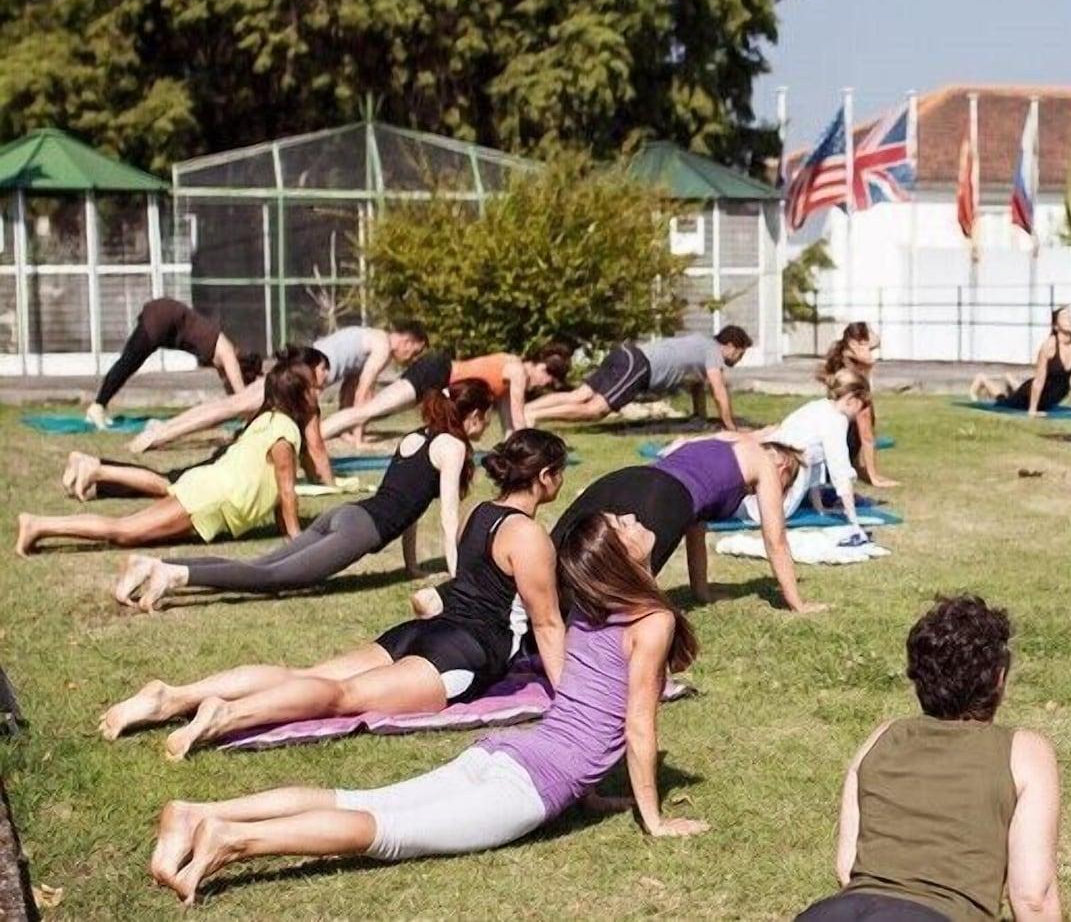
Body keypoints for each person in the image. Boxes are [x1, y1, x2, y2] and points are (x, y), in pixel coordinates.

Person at [142, 510, 707, 904]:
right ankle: (233, 839)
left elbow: (586, 706)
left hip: (509, 753)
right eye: (621, 525)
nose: (634, 521)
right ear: (616, 559)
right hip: (524, 783)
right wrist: (651, 819)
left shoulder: (591, 606)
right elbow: (635, 723)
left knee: (361, 800)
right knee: (382, 830)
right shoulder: (649, 621)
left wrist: (590, 794)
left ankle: (198, 812)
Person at [95, 429, 570, 758]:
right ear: (546, 475)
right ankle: (228, 715)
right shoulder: (529, 536)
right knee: (343, 696)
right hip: (462, 654)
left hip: (420, 633)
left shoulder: (480, 513)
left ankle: (176, 696)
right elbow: (547, 624)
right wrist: (572, 696)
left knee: (305, 675)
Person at [113, 379, 496, 611]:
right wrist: (456, 575)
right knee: (273, 577)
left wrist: (411, 567)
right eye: (487, 419)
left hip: (346, 514)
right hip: (358, 531)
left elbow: (407, 503)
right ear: (474, 415)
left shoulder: (418, 436)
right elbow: (448, 517)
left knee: (262, 565)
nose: (487, 427)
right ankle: (174, 575)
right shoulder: (453, 446)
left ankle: (154, 564)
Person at [797, 595, 1062, 922]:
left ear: (918, 679)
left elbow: (847, 866)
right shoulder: (1025, 752)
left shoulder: (881, 737)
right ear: (999, 679)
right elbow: (1034, 897)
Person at [18, 363, 320, 557]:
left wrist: (287, 531)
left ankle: (41, 525)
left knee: (124, 530)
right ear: (298, 396)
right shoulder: (284, 432)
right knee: (123, 531)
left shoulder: (266, 419)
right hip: (211, 499)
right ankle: (38, 525)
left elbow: (281, 496)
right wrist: (296, 538)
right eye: (312, 388)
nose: (317, 392)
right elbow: (287, 491)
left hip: (209, 490)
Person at [550, 437, 828, 614]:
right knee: (619, 590)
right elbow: (775, 540)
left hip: (625, 478)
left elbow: (695, 530)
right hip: (664, 497)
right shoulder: (765, 463)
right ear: (782, 468)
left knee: (551, 555)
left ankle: (533, 625)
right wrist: (797, 603)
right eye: (787, 484)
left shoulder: (720, 446)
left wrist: (701, 592)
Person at [62, 347, 338, 498]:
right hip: (234, 464)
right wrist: (164, 433)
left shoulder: (279, 383)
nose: (327, 376)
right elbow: (219, 410)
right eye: (325, 368)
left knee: (169, 484)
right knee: (169, 487)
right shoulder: (297, 395)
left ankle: (96, 477)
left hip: (236, 459)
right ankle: (96, 468)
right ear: (311, 368)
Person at [130, 322, 429, 456]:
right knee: (234, 407)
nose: (411, 358)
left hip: (300, 364)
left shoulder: (368, 336)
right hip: (298, 370)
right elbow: (365, 392)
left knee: (234, 406)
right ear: (407, 341)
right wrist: (359, 441)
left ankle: (163, 430)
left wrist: (351, 431)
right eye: (414, 352)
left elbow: (349, 392)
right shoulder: (380, 346)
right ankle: (159, 435)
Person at [320, 343, 571, 440]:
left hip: (439, 377)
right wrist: (533, 447)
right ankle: (313, 437)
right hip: (437, 371)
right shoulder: (516, 371)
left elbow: (509, 426)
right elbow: (519, 418)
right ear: (541, 367)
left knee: (372, 413)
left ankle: (314, 438)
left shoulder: (510, 371)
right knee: (368, 412)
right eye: (546, 379)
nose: (540, 385)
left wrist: (515, 457)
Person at [526, 327, 752, 429]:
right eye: (740, 354)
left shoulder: (700, 342)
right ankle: (536, 416)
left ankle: (526, 411)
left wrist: (699, 417)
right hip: (638, 365)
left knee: (579, 395)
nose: (738, 359)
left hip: (626, 353)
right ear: (731, 346)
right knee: (597, 409)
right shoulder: (713, 351)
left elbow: (697, 386)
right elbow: (718, 391)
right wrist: (731, 426)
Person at [86, 297, 258, 429]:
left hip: (164, 320)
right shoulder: (227, 354)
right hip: (162, 318)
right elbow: (241, 396)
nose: (225, 380)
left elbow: (233, 391)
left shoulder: (224, 353)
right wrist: (249, 417)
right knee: (128, 362)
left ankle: (99, 405)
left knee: (129, 363)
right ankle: (97, 407)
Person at [758, 369, 874, 529]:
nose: (861, 412)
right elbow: (840, 470)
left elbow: (815, 463)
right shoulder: (837, 420)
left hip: (764, 461)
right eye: (863, 405)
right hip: (781, 473)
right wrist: (853, 520)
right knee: (775, 511)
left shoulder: (817, 407)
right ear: (851, 399)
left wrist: (819, 508)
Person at [968, 307, 1071, 418]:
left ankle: (1009, 379)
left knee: (1019, 392)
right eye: (1065, 317)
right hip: (1032, 394)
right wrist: (1032, 410)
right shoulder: (1049, 346)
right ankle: (983, 379)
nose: (1070, 319)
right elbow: (1038, 381)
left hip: (1052, 397)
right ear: (1056, 326)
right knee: (1003, 402)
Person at [822, 322, 894, 489]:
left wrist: (863, 327)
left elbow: (876, 341)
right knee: (863, 425)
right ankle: (866, 472)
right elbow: (867, 437)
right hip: (835, 450)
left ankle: (856, 467)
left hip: (837, 440)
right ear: (852, 345)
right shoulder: (851, 377)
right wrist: (875, 478)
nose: (871, 352)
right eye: (864, 346)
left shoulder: (847, 359)